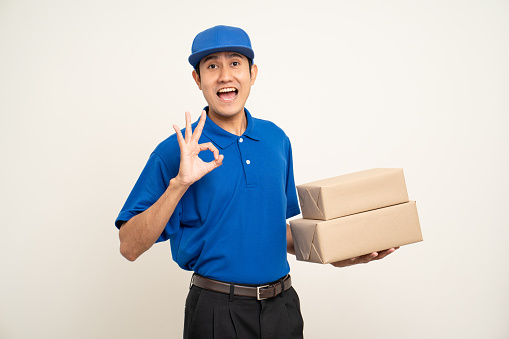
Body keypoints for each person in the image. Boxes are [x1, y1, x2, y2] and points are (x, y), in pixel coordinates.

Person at [115, 25, 398, 339]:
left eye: (235, 63)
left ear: (252, 73)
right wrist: (179, 183)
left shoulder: (275, 139)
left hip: (283, 309)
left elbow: (277, 231)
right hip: (216, 313)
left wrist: (340, 254)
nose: (224, 75)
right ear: (197, 79)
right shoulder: (176, 151)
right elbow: (129, 246)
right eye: (212, 66)